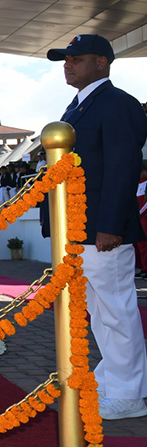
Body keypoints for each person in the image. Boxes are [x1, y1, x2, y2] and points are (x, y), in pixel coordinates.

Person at [46, 34, 147, 419]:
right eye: (65, 60)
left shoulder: (118, 105)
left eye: (77, 58)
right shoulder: (79, 108)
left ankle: (129, 395)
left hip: (103, 231)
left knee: (116, 311)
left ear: (102, 63)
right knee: (100, 313)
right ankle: (114, 380)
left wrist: (109, 225)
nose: (68, 65)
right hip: (79, 228)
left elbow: (123, 169)